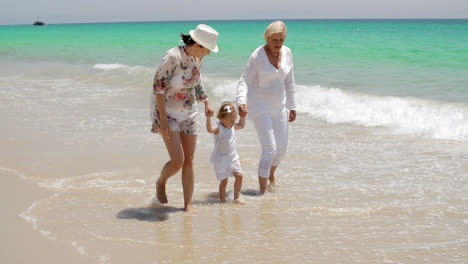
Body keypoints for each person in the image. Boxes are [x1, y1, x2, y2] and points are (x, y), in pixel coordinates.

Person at [150, 24, 219, 211]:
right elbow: (158, 88)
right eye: (208, 49)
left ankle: (187, 207)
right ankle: (161, 181)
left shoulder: (197, 58)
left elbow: (197, 81)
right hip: (167, 113)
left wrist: (206, 102)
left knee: (189, 160)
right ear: (197, 45)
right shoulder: (172, 57)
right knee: (177, 161)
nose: (209, 53)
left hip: (189, 112)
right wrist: (162, 120)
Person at [236, 20, 297, 195]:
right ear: (267, 38)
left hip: (279, 107)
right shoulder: (257, 56)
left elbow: (289, 80)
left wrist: (292, 105)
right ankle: (262, 192)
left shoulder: (287, 53)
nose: (278, 44)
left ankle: (271, 176)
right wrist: (241, 101)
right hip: (259, 106)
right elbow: (244, 80)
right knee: (269, 149)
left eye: (281, 40)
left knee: (282, 150)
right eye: (274, 40)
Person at [206, 102, 246, 204]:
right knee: (224, 182)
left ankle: (236, 197)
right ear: (222, 118)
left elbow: (241, 125)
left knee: (240, 176)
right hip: (221, 160)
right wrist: (208, 118)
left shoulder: (232, 126)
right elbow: (210, 129)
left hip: (233, 158)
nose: (233, 123)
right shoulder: (219, 128)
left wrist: (242, 117)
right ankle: (222, 200)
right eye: (231, 120)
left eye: (234, 120)